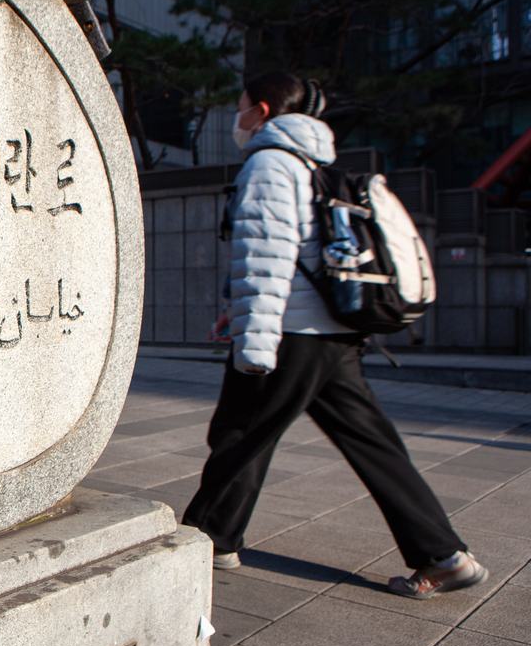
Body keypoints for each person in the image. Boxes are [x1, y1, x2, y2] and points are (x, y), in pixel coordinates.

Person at [182, 71, 486, 599]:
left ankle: (202, 540)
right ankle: (443, 555)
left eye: (241, 108)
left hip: (290, 333)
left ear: (263, 111)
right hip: (333, 332)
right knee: (370, 443)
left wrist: (254, 340)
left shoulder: (270, 162)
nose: (238, 118)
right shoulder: (313, 161)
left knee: (239, 433)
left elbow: (266, 256)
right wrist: (237, 312)